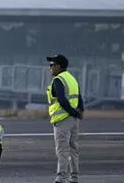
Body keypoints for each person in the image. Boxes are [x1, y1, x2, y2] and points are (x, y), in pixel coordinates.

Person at [46, 54, 83, 183]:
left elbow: (62, 100)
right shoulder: (72, 79)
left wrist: (72, 112)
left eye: (52, 65)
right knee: (73, 148)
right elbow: (79, 97)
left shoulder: (58, 80)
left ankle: (61, 177)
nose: (49, 68)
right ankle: (74, 177)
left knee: (62, 149)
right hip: (74, 119)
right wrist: (79, 113)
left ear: (59, 66)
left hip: (63, 119)